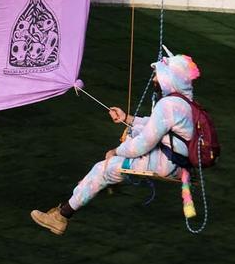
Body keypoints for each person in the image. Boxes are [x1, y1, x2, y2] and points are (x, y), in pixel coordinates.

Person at [31, 54, 201, 236]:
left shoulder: (168, 105)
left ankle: (61, 216)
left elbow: (142, 144)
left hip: (166, 164)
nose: (154, 79)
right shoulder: (186, 104)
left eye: (157, 75)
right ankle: (96, 186)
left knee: (103, 168)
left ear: (169, 78)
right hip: (180, 166)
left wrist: (115, 151)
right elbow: (155, 125)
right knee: (115, 161)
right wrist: (127, 118)